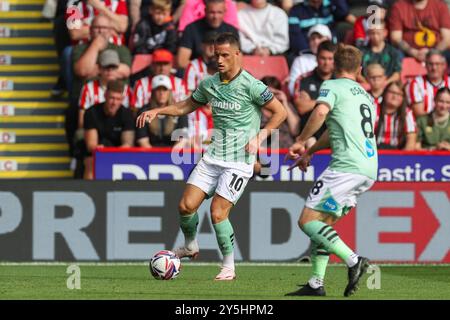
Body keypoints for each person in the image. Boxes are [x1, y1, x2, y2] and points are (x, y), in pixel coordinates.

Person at [136, 32, 287, 280]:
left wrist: (260, 137)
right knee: (185, 206)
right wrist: (159, 110)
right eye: (216, 54)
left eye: (225, 55)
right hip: (213, 157)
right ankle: (190, 245)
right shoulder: (209, 84)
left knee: (218, 212)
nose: (219, 60)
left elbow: (279, 112)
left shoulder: (252, 85)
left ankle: (229, 266)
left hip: (239, 162)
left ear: (238, 55)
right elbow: (186, 105)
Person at [285, 44, 377, 297]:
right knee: (323, 223)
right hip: (368, 169)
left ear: (334, 67)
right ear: (360, 70)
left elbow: (321, 111)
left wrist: (300, 140)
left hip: (346, 167)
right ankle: (316, 283)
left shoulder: (332, 86)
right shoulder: (367, 97)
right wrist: (310, 152)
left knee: (307, 221)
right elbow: (334, 131)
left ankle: (353, 260)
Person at [83, 80, 135, 180]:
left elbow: (128, 145)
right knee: (90, 161)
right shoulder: (92, 112)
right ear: (105, 95)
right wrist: (101, 151)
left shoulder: (127, 114)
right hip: (98, 153)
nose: (114, 103)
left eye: (118, 99)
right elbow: (91, 145)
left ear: (122, 99)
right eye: (111, 98)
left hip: (118, 152)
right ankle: (90, 190)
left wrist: (111, 154)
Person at [293, 41, 336, 148]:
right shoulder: (304, 79)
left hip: (334, 131)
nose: (326, 63)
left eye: (330, 59)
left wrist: (312, 102)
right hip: (310, 134)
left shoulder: (340, 80)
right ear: (316, 58)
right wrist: (331, 102)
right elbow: (302, 107)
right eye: (323, 58)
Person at [78, 49, 133, 129]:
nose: (110, 71)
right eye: (106, 67)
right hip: (94, 129)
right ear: (99, 68)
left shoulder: (126, 90)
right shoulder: (88, 89)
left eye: (113, 67)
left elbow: (129, 117)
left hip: (119, 131)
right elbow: (82, 117)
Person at [176, 0, 239, 69]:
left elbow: (238, 62)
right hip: (197, 74)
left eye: (219, 12)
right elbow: (181, 62)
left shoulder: (231, 31)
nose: (215, 16)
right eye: (212, 12)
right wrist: (203, 68)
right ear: (205, 11)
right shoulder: (191, 29)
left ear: (225, 12)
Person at [136, 75, 188, 147]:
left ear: (169, 92)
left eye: (164, 89)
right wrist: (155, 157)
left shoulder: (179, 111)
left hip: (172, 154)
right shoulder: (144, 112)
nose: (161, 93)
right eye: (158, 90)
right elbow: (143, 140)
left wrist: (171, 156)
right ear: (153, 92)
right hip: (149, 155)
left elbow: (182, 139)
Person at [288, 0, 355, 56]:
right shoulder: (295, 11)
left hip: (332, 53)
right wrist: (314, 54)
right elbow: (296, 40)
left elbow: (344, 11)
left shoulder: (331, 6)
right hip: (307, 55)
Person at [288, 24, 332, 96]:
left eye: (320, 37)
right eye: (313, 38)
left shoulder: (337, 59)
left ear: (329, 40)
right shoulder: (300, 60)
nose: (316, 41)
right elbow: (292, 88)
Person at [406, 50, 450, 116]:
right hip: (425, 125)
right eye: (431, 64)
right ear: (425, 65)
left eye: (437, 64)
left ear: (444, 66)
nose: (434, 68)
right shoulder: (416, 84)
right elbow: (419, 113)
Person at [375, 81, 417, 150]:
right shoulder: (373, 108)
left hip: (396, 153)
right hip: (374, 152)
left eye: (399, 94)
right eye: (392, 92)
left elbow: (411, 141)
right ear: (385, 93)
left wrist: (401, 158)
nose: (395, 96)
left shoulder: (407, 113)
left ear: (403, 98)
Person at [260, 76, 300, 148]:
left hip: (286, 149)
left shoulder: (286, 106)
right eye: (267, 94)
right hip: (264, 150)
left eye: (273, 94)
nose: (269, 98)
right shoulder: (255, 109)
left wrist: (285, 103)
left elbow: (295, 130)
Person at [360, 21, 401, 85]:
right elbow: (356, 73)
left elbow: (397, 74)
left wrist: (385, 84)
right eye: (372, 33)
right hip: (366, 87)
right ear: (368, 34)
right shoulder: (361, 52)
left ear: (385, 33)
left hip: (387, 87)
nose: (375, 36)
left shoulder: (393, 52)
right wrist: (367, 84)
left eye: (378, 33)